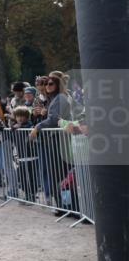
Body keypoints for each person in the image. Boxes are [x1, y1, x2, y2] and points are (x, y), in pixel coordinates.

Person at [30, 75, 73, 215]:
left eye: (50, 84)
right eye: (46, 84)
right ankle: (63, 206)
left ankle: (66, 207)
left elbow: (54, 119)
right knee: (57, 175)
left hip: (59, 141)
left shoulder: (60, 98)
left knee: (58, 174)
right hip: (55, 140)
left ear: (58, 85)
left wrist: (37, 127)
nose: (47, 86)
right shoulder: (53, 99)